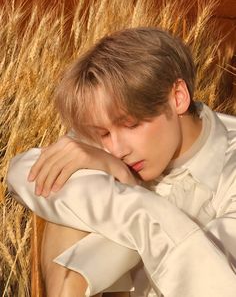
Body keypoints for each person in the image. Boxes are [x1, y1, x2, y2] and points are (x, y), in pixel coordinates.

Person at [7, 27, 236, 297]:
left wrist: (135, 198)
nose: (115, 150)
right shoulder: (108, 142)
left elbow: (212, 285)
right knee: (66, 184)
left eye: (131, 125)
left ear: (178, 97)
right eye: (103, 133)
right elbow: (23, 172)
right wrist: (118, 177)